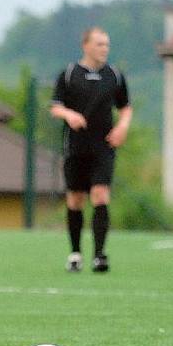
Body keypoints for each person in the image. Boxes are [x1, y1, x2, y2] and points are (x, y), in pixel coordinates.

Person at [49, 27, 132, 273]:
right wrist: (69, 114)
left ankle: (99, 255)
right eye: (99, 44)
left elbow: (125, 106)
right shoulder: (69, 74)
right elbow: (55, 106)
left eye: (106, 44)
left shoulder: (114, 75)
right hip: (75, 147)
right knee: (75, 199)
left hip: (103, 147)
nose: (104, 49)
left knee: (100, 195)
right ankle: (75, 254)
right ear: (85, 45)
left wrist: (122, 127)